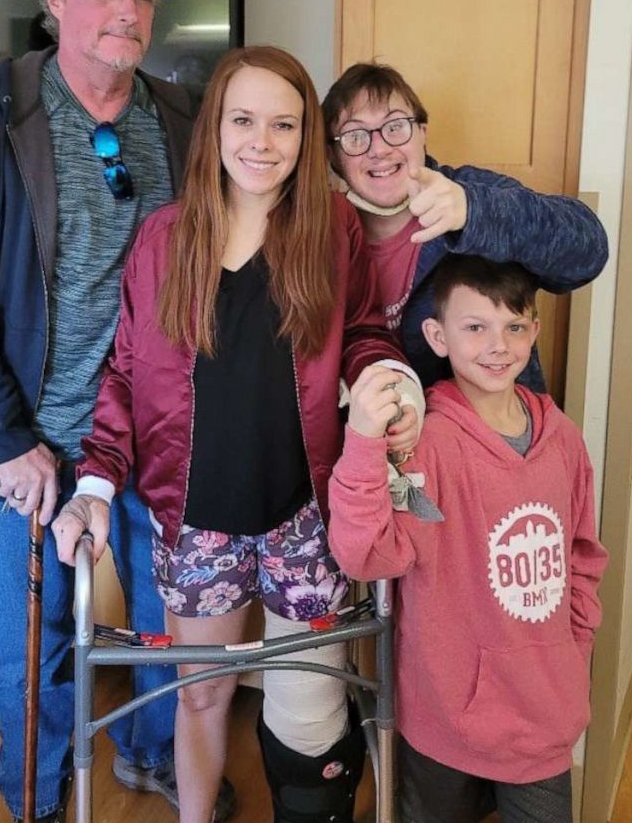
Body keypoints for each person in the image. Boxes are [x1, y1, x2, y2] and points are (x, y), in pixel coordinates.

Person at [0, 0, 234, 823]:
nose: (126, 10)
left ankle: (151, 752)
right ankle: (40, 796)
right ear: (54, 3)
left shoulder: (181, 116)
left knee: (168, 626)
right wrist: (4, 445)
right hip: (34, 446)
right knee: (31, 645)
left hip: (161, 433)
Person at [51, 45, 424, 823]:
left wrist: (389, 375)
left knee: (311, 693)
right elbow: (125, 373)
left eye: (284, 124)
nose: (263, 141)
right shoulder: (163, 239)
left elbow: (358, 331)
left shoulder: (333, 231)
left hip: (305, 515)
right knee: (205, 693)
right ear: (215, 127)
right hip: (196, 523)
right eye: (244, 120)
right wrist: (92, 484)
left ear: (305, 138)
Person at [328, 254, 609, 823]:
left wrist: (574, 652)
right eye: (475, 327)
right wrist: (362, 441)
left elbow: (582, 556)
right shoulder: (426, 445)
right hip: (444, 719)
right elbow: (366, 554)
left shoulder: (565, 441)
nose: (497, 345)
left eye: (513, 326)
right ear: (437, 335)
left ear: (534, 329)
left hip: (545, 715)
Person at [322, 63, 609, 390]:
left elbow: (588, 252)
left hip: (488, 432)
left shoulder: (474, 191)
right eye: (355, 136)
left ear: (423, 133)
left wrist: (473, 212)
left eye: (396, 126)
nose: (380, 149)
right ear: (333, 155)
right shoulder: (320, 230)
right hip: (364, 433)